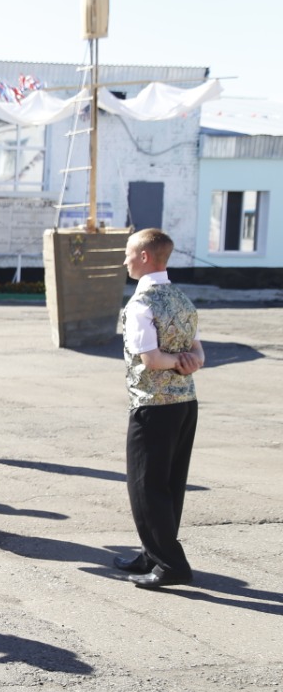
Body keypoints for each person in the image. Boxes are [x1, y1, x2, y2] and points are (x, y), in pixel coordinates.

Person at [113, 228, 203, 589]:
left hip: (153, 404)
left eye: (128, 253)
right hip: (185, 402)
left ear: (145, 257)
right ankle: (152, 553)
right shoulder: (182, 298)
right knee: (169, 483)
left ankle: (170, 564)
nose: (125, 260)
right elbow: (200, 353)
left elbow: (150, 359)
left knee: (146, 486)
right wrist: (187, 360)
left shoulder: (141, 304)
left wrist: (175, 359)